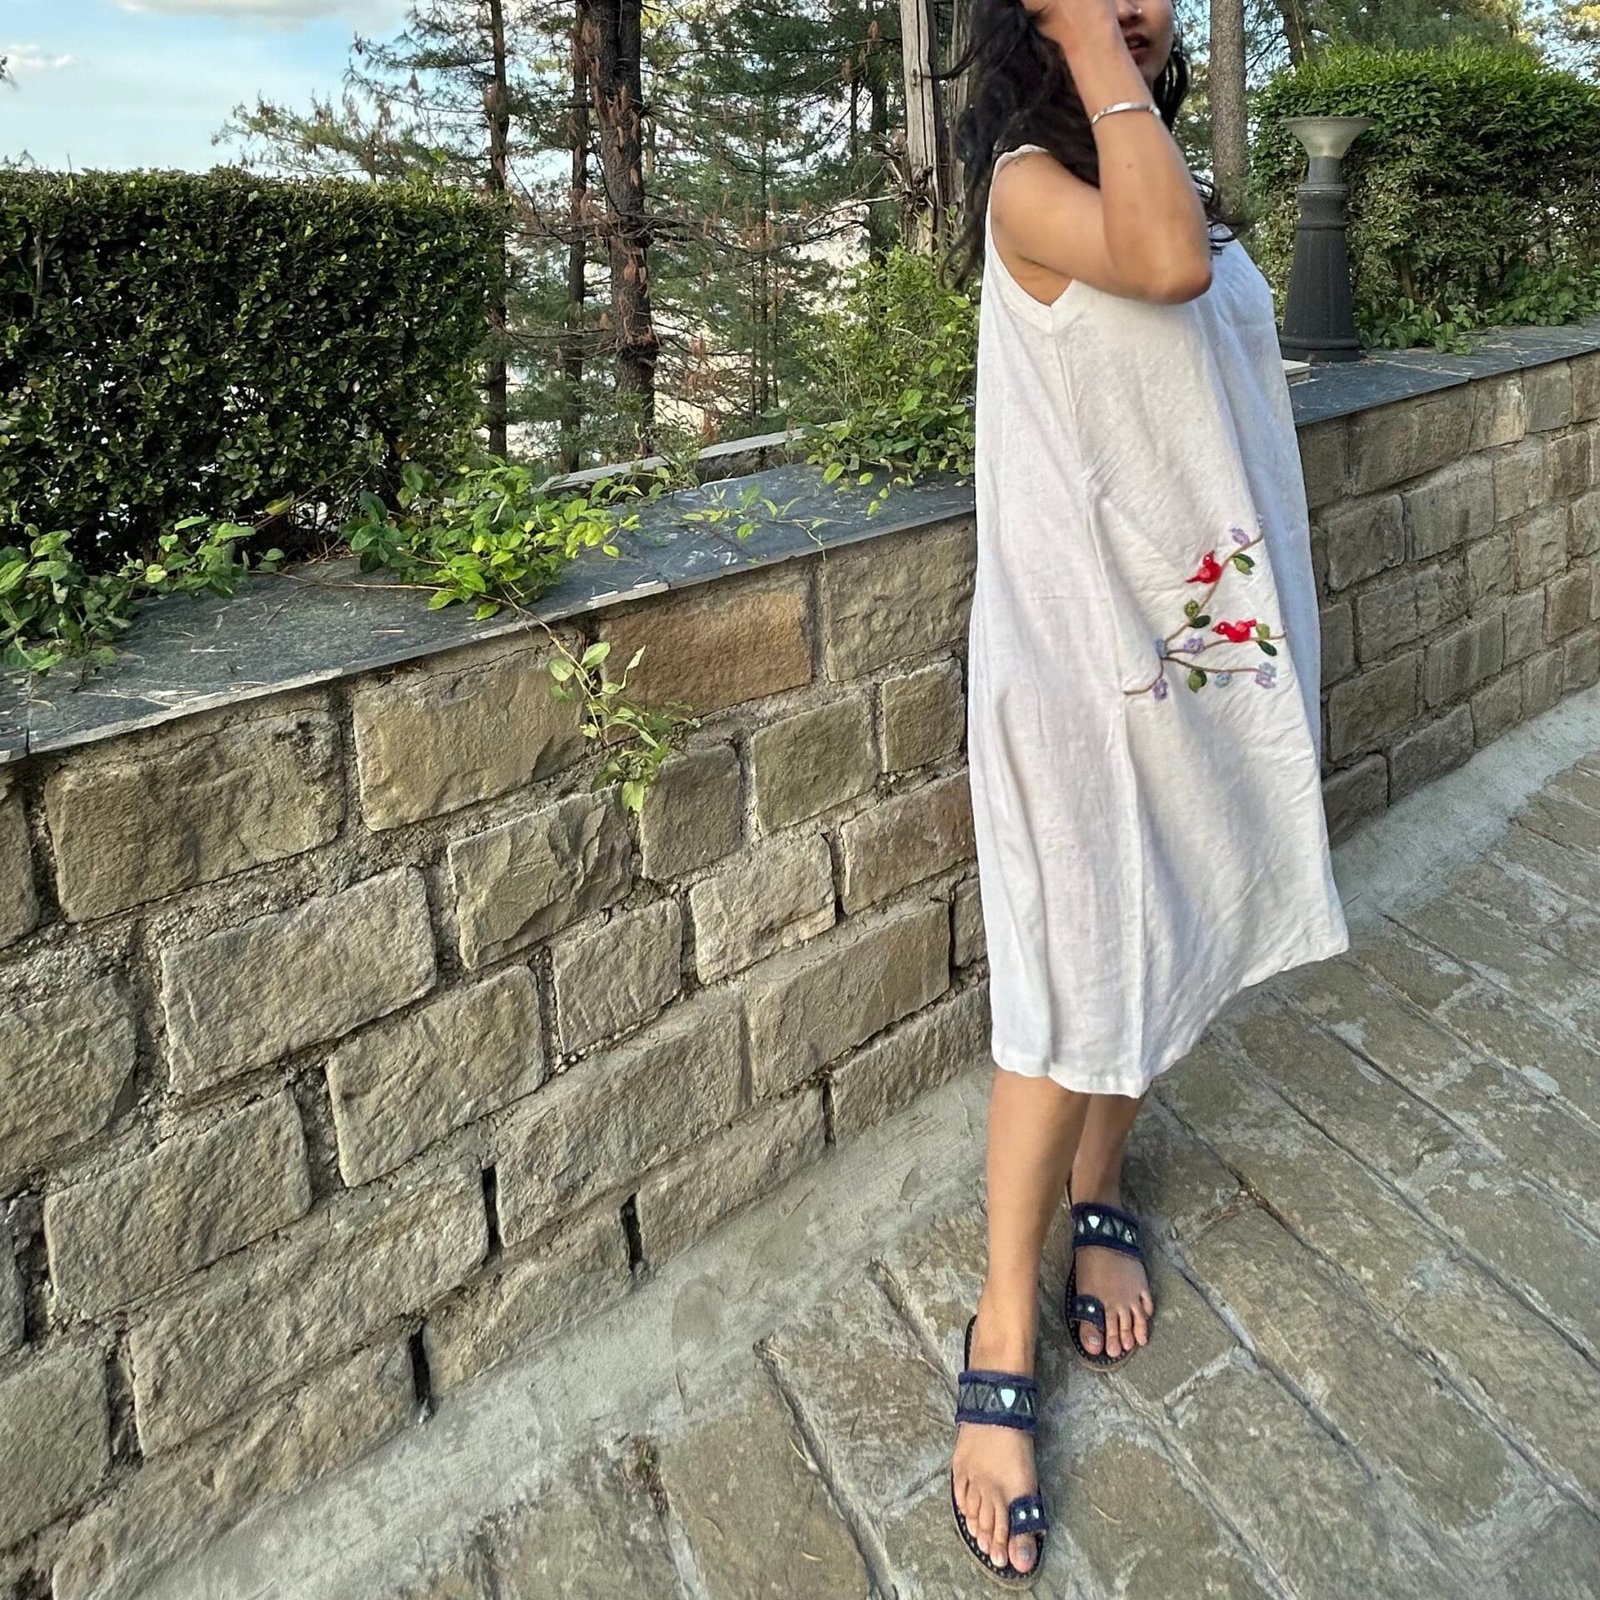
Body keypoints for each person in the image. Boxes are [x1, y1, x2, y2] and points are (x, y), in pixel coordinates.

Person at [934, 0, 1351, 1583]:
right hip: (1075, 670)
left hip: (1186, 655)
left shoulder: (1148, 166)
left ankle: (1103, 1183)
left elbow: (1195, 305)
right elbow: (1166, 269)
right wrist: (1095, 39)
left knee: (1163, 935)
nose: (1141, 3)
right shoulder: (1030, 186)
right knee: (1063, 990)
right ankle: (1000, 1322)